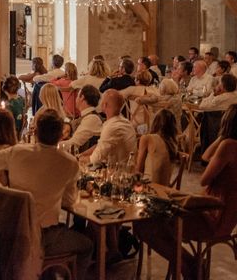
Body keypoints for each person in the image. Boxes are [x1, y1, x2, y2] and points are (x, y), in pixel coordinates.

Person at [0, 110, 93, 280]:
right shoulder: (70, 163)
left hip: (9, 229)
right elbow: (70, 202)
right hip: (45, 236)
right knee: (87, 246)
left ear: (36, 131)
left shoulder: (17, 152)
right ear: (61, 134)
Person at [135, 104, 237, 279]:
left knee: (143, 225)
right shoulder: (227, 144)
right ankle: (190, 264)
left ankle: (188, 266)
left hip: (212, 214)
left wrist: (222, 137)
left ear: (227, 122)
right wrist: (222, 137)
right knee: (154, 223)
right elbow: (205, 156)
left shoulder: (229, 145)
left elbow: (205, 178)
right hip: (228, 217)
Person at [80, 89, 137, 165]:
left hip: (119, 172)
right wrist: (82, 154)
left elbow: (95, 160)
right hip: (126, 167)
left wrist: (78, 159)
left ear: (105, 105)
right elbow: (100, 145)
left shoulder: (112, 127)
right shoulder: (125, 122)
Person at [135, 109, 178, 185]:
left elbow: (139, 171)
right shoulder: (173, 143)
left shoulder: (147, 138)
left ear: (155, 122)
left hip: (150, 189)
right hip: (165, 189)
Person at [59, 85, 102, 153]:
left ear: (82, 97)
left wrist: (53, 146)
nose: (76, 98)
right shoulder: (88, 116)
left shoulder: (92, 118)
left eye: (77, 96)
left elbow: (74, 143)